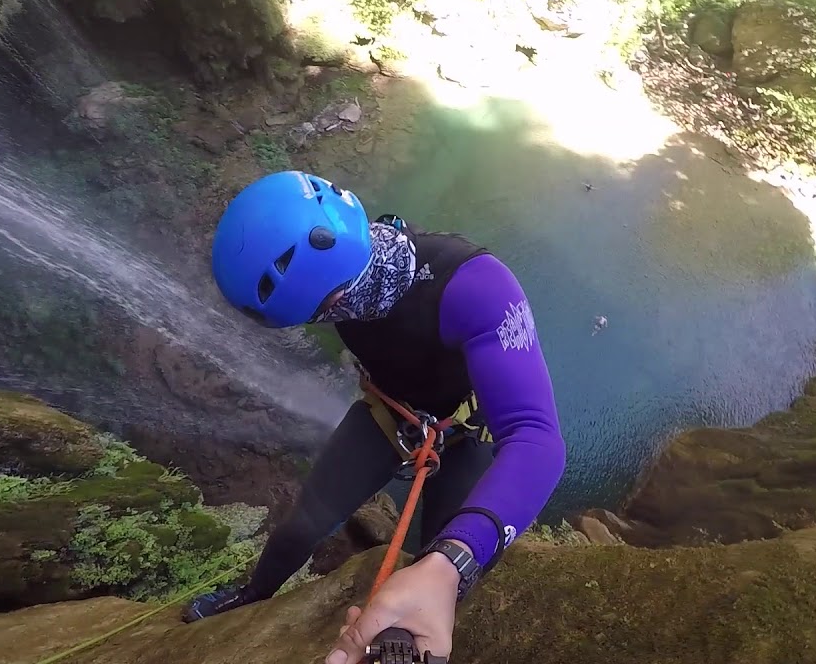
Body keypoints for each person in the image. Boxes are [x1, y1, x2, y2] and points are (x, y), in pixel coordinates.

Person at [186, 171, 565, 664]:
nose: (327, 318)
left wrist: (452, 560)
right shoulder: (347, 272)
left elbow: (538, 438)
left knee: (441, 558)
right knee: (302, 527)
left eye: (323, 310)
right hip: (389, 413)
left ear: (336, 292)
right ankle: (254, 594)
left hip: (464, 432)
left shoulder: (476, 287)